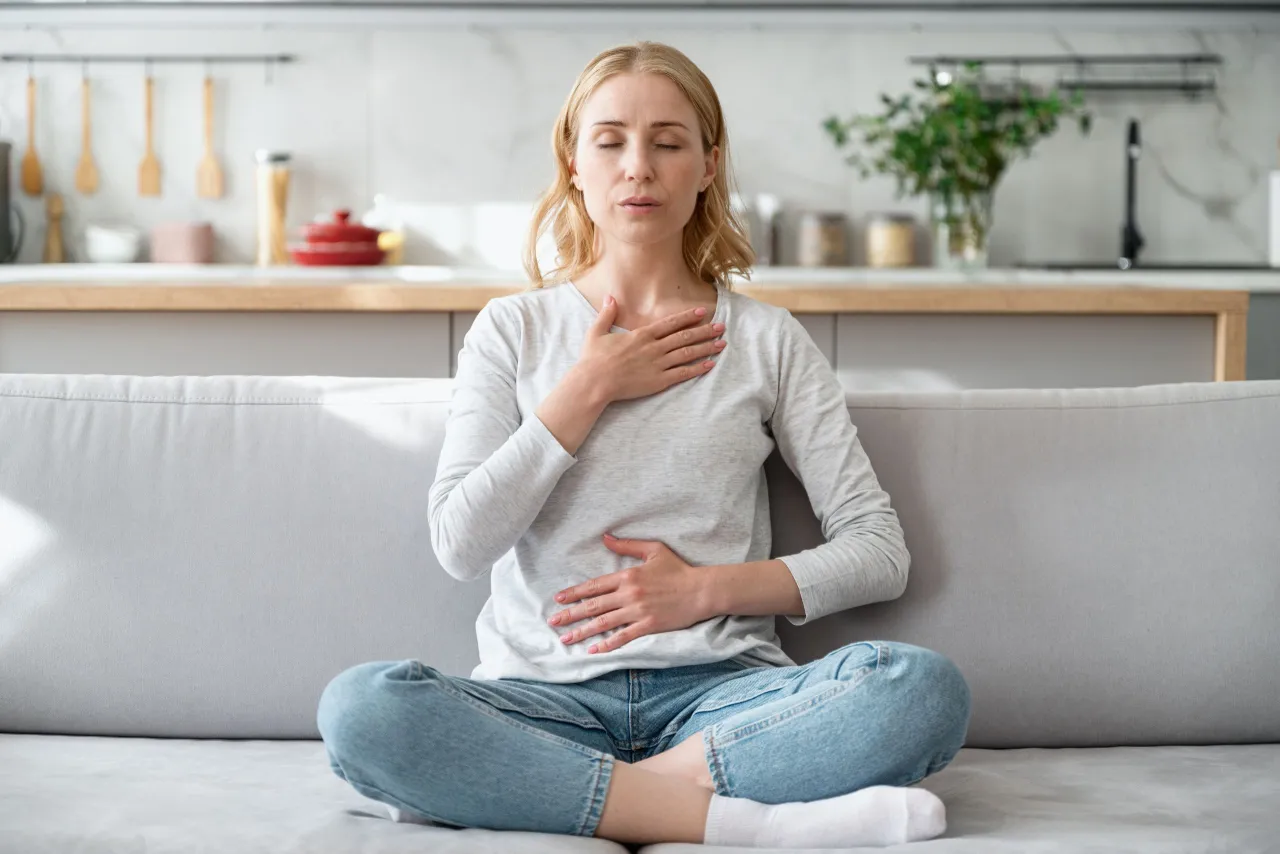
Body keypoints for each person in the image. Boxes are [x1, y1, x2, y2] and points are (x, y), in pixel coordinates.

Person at [317, 40, 971, 849]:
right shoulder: (512, 332)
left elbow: (879, 550)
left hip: (721, 702)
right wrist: (586, 388)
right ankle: (748, 824)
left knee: (921, 690)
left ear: (706, 166)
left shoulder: (766, 340)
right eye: (611, 141)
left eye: (668, 143)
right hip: (543, 702)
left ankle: (548, 794)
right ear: (574, 161)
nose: (639, 167)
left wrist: (705, 592)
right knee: (361, 709)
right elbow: (460, 542)